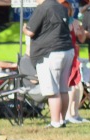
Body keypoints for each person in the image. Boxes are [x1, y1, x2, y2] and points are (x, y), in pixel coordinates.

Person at [24, 0, 75, 128]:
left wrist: (24, 28)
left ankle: (55, 122)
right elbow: (69, 27)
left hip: (49, 52)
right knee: (63, 89)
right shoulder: (62, 7)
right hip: (67, 49)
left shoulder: (42, 8)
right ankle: (62, 120)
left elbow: (30, 31)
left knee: (52, 91)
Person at [61, 0, 89, 123]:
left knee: (78, 85)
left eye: (67, 8)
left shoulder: (74, 21)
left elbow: (81, 39)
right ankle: (68, 114)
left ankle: (75, 113)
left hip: (73, 54)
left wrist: (81, 30)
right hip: (65, 54)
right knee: (71, 85)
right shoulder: (59, 21)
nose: (66, 10)